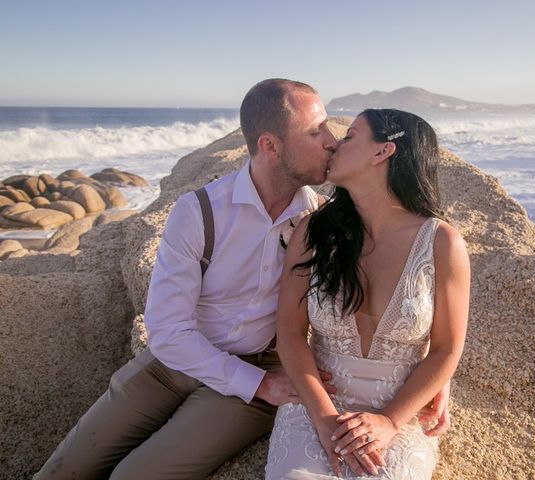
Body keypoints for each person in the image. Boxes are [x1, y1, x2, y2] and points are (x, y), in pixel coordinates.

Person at [34, 80, 449, 480]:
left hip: (257, 373)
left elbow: (401, 295)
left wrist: (434, 382)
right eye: (315, 131)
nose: (331, 141)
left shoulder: (322, 222)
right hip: (174, 363)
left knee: (134, 475)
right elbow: (166, 330)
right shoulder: (198, 212)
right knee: (64, 470)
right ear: (270, 145)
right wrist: (262, 384)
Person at [266, 109, 470, 479]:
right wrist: (325, 419)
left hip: (400, 410)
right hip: (317, 402)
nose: (334, 145)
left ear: (383, 152)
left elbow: (446, 349)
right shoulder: (314, 231)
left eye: (350, 136)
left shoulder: (441, 242)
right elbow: (291, 332)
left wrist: (390, 422)